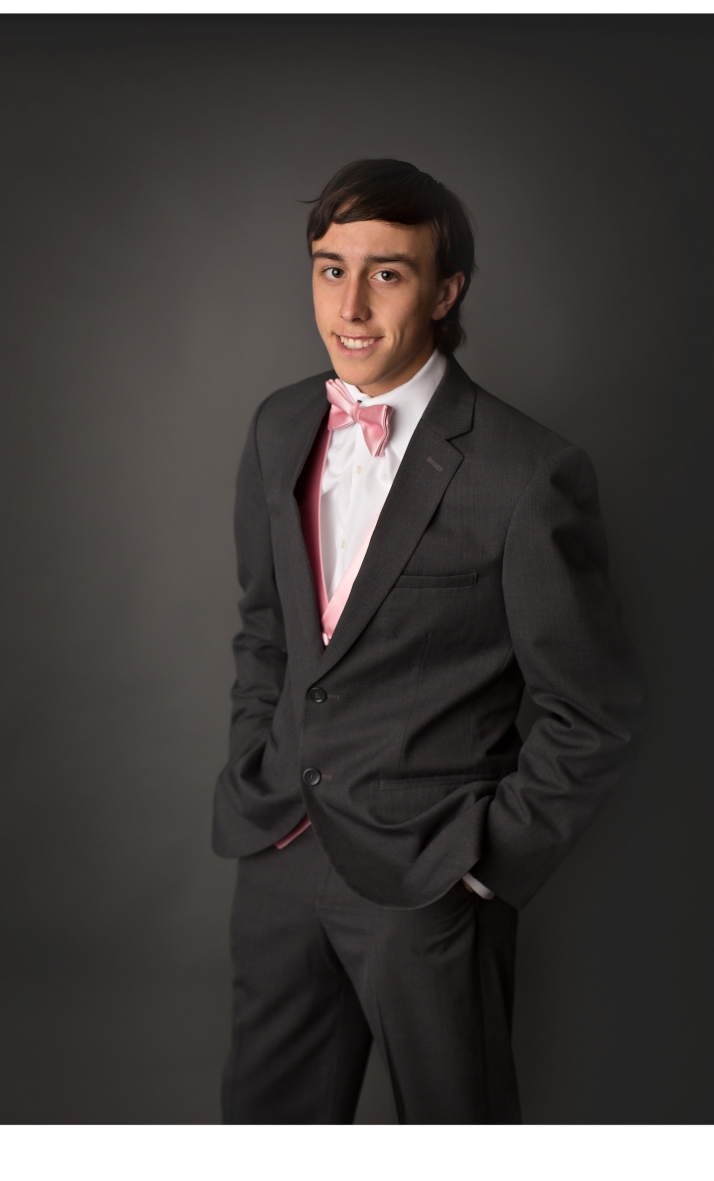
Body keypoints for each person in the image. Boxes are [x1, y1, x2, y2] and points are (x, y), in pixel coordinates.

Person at [212, 158, 645, 1124]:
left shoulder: (528, 474)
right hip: (279, 851)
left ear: (447, 291)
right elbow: (266, 631)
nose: (351, 306)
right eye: (331, 269)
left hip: (430, 885)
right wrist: (258, 760)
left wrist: (484, 866)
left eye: (389, 273)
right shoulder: (280, 425)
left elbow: (595, 710)